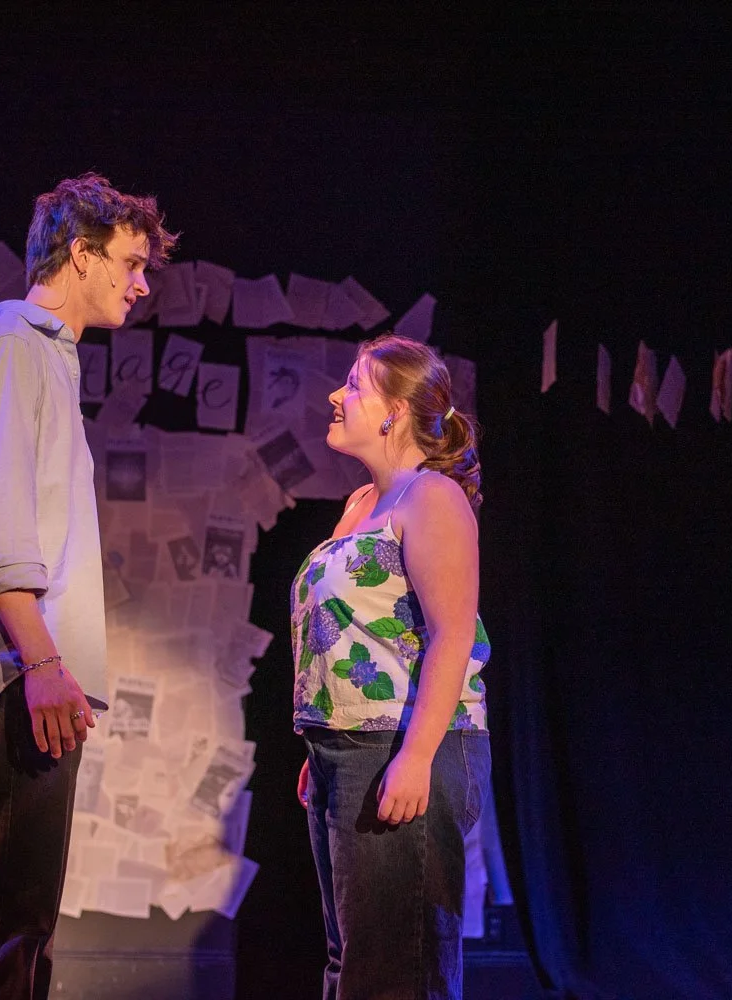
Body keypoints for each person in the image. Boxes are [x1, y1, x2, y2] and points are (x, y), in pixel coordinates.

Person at [0, 172, 175, 998]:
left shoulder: (45, 360)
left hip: (27, 674)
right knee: (1, 923)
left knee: (21, 919)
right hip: (14, 676)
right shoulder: (11, 351)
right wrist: (41, 663)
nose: (142, 285)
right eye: (131, 264)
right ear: (81, 253)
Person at [292, 334, 492, 999]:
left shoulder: (431, 496)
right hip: (346, 748)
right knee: (352, 960)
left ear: (395, 412)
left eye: (353, 384)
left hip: (406, 745)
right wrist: (327, 731)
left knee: (395, 969)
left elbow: (452, 633)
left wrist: (416, 755)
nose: (336, 395)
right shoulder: (360, 504)